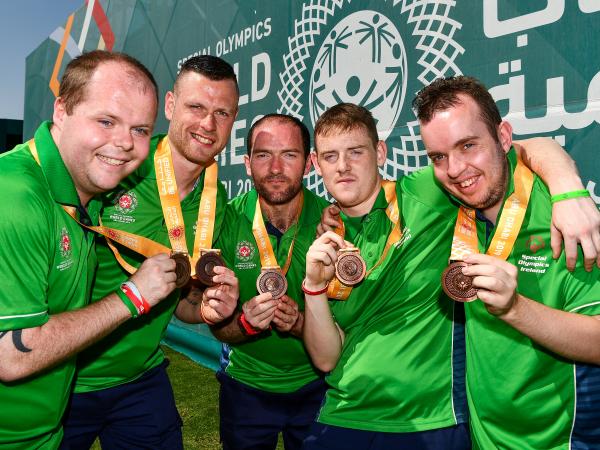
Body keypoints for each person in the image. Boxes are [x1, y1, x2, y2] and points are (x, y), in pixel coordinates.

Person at [302, 103, 600, 449]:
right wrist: (314, 287)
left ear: (380, 152)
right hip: (343, 414)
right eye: (330, 156)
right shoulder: (327, 239)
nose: (343, 167)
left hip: (430, 422)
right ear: (316, 164)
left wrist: (569, 190)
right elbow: (325, 359)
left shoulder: (428, 192)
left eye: (355, 152)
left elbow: (522, 148)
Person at [0, 50, 178, 449]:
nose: (125, 144)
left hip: (44, 433)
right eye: (106, 121)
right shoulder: (14, 195)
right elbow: (9, 356)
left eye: (140, 130)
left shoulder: (90, 195)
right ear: (62, 111)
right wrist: (134, 295)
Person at [61, 55, 240, 449]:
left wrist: (209, 308)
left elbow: (181, 300)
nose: (208, 125)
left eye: (222, 113)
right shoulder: (118, 166)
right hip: (67, 377)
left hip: (140, 379)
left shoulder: (217, 198)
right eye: (196, 107)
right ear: (171, 105)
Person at [413, 75, 600, 449]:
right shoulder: (444, 199)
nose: (454, 169)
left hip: (560, 440)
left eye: (468, 145)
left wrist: (514, 308)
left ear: (502, 137)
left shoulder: (565, 216)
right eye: (438, 156)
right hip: (484, 439)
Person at [210, 114, 330, 450]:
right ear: (247, 163)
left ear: (309, 163)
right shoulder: (226, 223)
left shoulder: (332, 224)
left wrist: (302, 325)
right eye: (263, 155)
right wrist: (246, 324)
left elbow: (349, 324)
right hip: (245, 385)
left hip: (317, 385)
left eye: (289, 155)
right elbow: (217, 326)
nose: (275, 168)